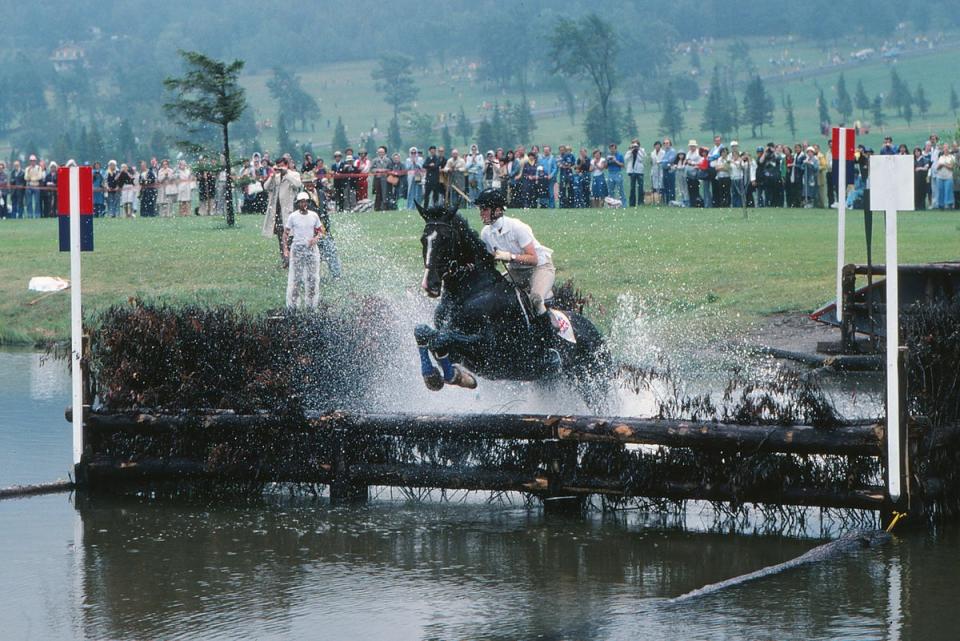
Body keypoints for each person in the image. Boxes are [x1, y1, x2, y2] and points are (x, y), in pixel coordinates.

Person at [474, 188, 560, 371]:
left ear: (497, 210)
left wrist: (510, 257)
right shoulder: (486, 233)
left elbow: (533, 258)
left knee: (536, 298)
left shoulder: (517, 227)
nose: (481, 213)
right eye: (480, 209)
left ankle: (550, 349)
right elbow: (489, 261)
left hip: (539, 267)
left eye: (484, 209)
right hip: (517, 271)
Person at [283, 192, 324, 310]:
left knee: (312, 278)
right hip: (297, 248)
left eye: (305, 201)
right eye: (301, 202)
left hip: (311, 249)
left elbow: (320, 231)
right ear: (298, 203)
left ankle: (311, 305)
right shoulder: (293, 216)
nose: (304, 204)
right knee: (295, 279)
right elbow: (286, 233)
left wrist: (316, 238)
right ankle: (293, 306)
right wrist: (286, 248)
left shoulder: (314, 215)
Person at [261, 155, 302, 266]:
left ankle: (293, 259)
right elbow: (266, 187)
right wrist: (273, 176)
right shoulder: (276, 176)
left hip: (289, 211)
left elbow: (298, 184)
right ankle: (285, 259)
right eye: (278, 166)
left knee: (291, 237)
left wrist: (286, 173)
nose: (280, 168)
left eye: (282, 166)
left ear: (286, 165)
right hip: (277, 212)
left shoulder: (293, 174)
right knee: (281, 237)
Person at [301, 171, 341, 278]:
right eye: (306, 183)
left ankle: (336, 275)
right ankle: (309, 277)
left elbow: (325, 212)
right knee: (311, 256)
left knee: (331, 251)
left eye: (310, 182)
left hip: (323, 230)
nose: (309, 184)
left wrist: (327, 227)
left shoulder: (321, 193)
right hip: (310, 232)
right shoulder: (301, 197)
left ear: (314, 182)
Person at [625, 140, 646, 207]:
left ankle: (640, 203)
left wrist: (638, 150)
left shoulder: (642, 150)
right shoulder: (629, 151)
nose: (635, 147)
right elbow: (626, 158)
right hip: (632, 171)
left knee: (640, 187)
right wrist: (631, 151)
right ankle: (632, 204)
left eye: (636, 145)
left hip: (639, 171)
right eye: (633, 145)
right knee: (632, 188)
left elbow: (643, 158)